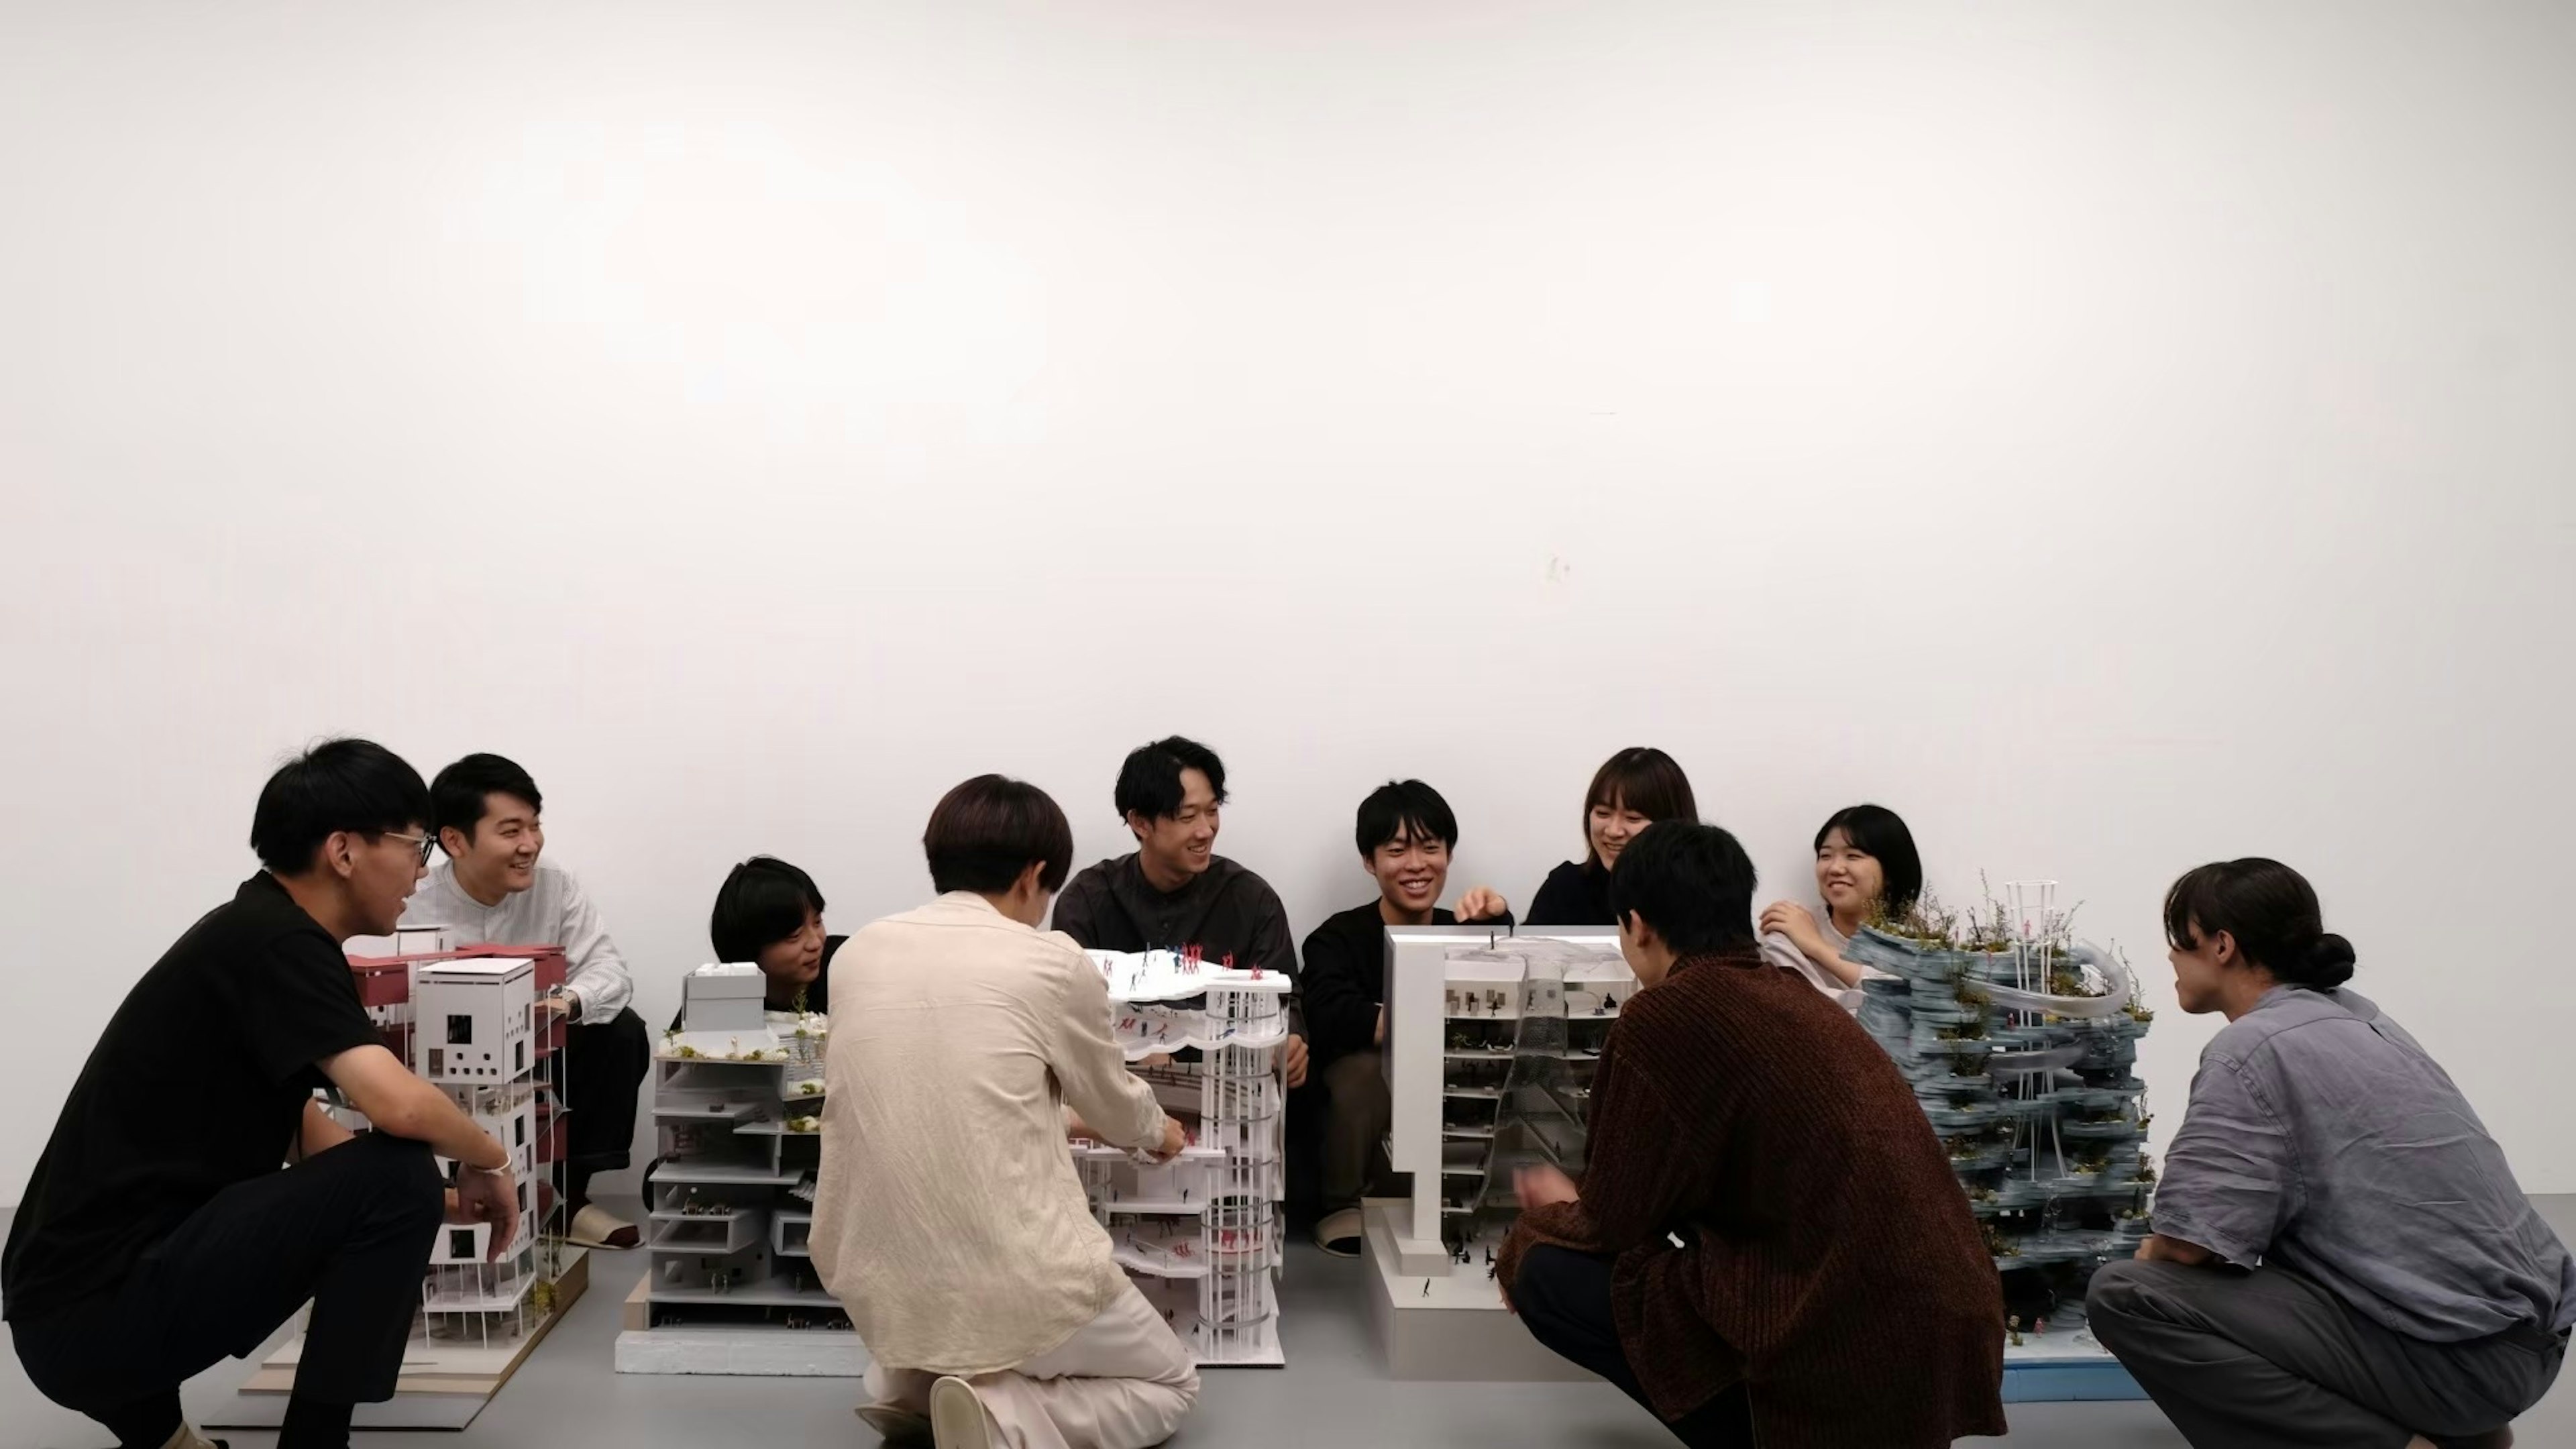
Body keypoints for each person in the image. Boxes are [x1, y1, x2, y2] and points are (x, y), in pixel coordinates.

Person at [4, 740, 520, 1449]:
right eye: (416, 844)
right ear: (343, 851)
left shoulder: (255, 930)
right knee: (398, 1172)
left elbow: (304, 1132)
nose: (421, 869)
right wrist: (491, 1160)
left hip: (61, 1313)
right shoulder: (280, 944)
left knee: (395, 1182)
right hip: (93, 1317)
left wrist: (447, 1201)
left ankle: (166, 1437)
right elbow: (397, 1107)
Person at [1499, 821, 2006, 1448]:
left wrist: (1550, 1215)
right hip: (1948, 1321)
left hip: (1841, 1332)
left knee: (1544, 1271)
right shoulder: (1793, 993)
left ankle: (1763, 1432)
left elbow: (1616, 1220)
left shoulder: (1664, 1014)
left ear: (1637, 924)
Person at [2088, 858, 2571, 1449]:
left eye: (2178, 939)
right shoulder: (2362, 1017)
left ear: (2221, 945)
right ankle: (2467, 1436)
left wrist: (2156, 1249)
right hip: (2529, 1344)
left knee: (2130, 1296)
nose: (2169, 955)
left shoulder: (2251, 1047)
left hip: (2459, 1363)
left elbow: (2191, 1247)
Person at [812, 775, 1198, 1449]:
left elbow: (949, 1095)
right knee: (1172, 1387)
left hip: (873, 1270)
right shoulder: (1046, 960)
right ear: (1035, 875)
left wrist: (1060, 1118)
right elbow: (1112, 1103)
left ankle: (915, 1390)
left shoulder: (857, 954)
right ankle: (1002, 1419)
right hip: (1019, 1275)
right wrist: (1156, 1130)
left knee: (949, 1284)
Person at [400, 753, 647, 1249]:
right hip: (437, 1057)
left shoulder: (554, 883)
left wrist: (565, 1005)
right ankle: (440, 1197)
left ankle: (569, 1201)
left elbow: (609, 971)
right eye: (511, 831)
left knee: (621, 1030)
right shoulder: (411, 899)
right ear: (454, 840)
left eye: (535, 827)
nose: (529, 845)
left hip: (534, 1046)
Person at [1299, 780, 1511, 1256]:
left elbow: (1505, 1007)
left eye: (1430, 848)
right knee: (1366, 1067)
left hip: (1455, 1132)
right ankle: (1345, 1205)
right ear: (1369, 861)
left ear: (1449, 855)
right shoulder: (1335, 938)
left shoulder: (1469, 931)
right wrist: (1432, 1022)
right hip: (1367, 1139)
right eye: (1397, 851)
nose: (1416, 865)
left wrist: (1498, 929)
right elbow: (1334, 1016)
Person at [1050, 736, 1307, 1089]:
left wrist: (1290, 1040)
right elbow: (1068, 1012)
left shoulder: (1252, 899)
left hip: (1228, 1090)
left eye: (1213, 811)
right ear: (1140, 823)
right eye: (1188, 816)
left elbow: (1284, 999)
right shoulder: (1087, 901)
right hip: (1116, 1095)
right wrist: (1137, 1050)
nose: (1206, 830)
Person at [1758, 802, 1923, 1009]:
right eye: (1825, 855)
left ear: (1889, 871)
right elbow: (1803, 1010)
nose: (1835, 868)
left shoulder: (1918, 945)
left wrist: (1817, 947)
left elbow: (1911, 1003)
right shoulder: (1788, 927)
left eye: (1853, 856)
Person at [1523, 747, 1699, 926]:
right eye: (1603, 813)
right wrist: (1497, 920)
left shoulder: (1704, 895)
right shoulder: (1565, 887)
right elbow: (1525, 949)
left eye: (1633, 818)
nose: (1614, 831)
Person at [682, 855, 845, 1027]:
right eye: (794, 936)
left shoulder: (849, 966)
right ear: (748, 948)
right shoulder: (713, 1000)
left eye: (817, 922)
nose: (815, 943)